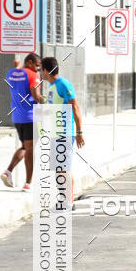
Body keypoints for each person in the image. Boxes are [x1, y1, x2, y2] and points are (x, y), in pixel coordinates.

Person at [40, 57, 86, 201]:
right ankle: (64, 199)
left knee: (63, 169)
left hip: (65, 133)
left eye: (41, 69)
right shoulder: (52, 86)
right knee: (59, 170)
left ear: (46, 71)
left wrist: (79, 132)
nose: (40, 73)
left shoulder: (64, 85)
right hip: (56, 133)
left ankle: (68, 201)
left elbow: (75, 107)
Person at [1, 53, 44, 191]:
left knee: (26, 147)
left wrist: (18, 65)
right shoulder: (33, 76)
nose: (38, 69)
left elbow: (18, 69)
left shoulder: (11, 73)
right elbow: (36, 96)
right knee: (28, 149)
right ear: (30, 62)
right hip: (30, 116)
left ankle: (12, 175)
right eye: (37, 66)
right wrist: (50, 100)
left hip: (17, 117)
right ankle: (26, 182)